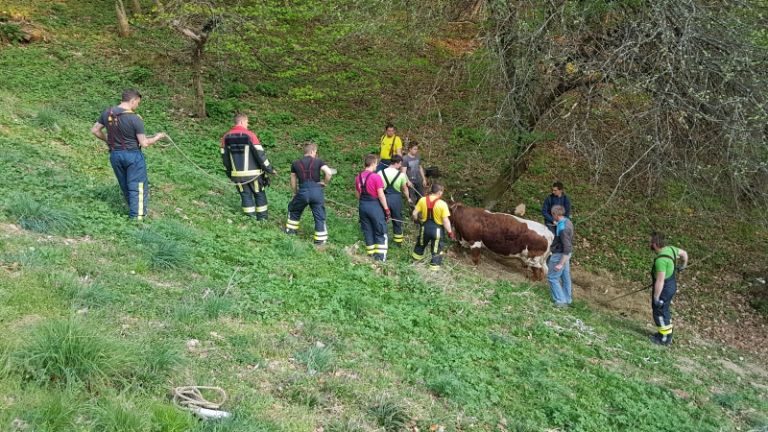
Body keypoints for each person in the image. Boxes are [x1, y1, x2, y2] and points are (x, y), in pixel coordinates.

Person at [91, 89, 167, 221]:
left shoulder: (108, 113)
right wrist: (157, 137)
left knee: (125, 184)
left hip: (115, 155)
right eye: (138, 103)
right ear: (133, 100)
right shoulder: (135, 119)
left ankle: (132, 210)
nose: (137, 105)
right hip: (133, 156)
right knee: (138, 186)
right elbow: (144, 143)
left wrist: (109, 140)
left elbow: (95, 130)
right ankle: (137, 218)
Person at [220, 113, 278, 220]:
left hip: (237, 175)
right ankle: (263, 220)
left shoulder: (226, 137)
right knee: (259, 194)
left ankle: (250, 219)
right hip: (254, 174)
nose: (247, 124)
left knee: (245, 195)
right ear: (242, 122)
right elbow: (260, 154)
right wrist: (270, 169)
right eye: (247, 122)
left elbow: (225, 158)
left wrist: (229, 173)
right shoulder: (250, 135)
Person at [285, 143, 334, 245]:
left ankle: (291, 231)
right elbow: (329, 173)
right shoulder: (318, 161)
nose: (315, 154)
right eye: (315, 152)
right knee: (319, 215)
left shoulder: (295, 163)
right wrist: (324, 183)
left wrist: (295, 192)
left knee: (294, 210)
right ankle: (320, 240)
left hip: (302, 191)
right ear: (312, 151)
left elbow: (293, 180)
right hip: (316, 191)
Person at [649, 232, 688, 346]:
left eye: (650, 242)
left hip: (664, 289)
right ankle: (664, 334)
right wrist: (683, 265)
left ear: (655, 244)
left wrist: (656, 297)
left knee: (659, 312)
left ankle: (664, 339)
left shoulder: (661, 260)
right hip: (671, 285)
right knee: (664, 311)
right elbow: (684, 253)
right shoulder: (671, 249)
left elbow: (660, 281)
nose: (649, 244)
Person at [411, 183, 455, 270]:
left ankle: (415, 264)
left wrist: (417, 220)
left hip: (424, 228)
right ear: (439, 192)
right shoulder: (442, 204)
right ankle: (433, 270)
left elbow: (414, 213)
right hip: (437, 230)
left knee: (420, 245)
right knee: (437, 250)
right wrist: (450, 232)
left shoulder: (422, 200)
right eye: (442, 192)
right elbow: (445, 221)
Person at [356, 154, 391, 261]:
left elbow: (357, 194)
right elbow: (381, 195)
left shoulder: (358, 177)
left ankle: (370, 255)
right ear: (372, 163)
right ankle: (380, 258)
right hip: (374, 206)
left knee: (367, 230)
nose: (377, 166)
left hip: (362, 205)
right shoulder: (376, 177)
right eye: (376, 163)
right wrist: (386, 209)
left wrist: (363, 203)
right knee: (380, 230)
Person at [379, 155, 411, 246]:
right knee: (397, 220)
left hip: (384, 198)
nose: (400, 166)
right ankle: (398, 242)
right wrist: (408, 198)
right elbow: (405, 189)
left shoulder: (380, 173)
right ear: (397, 163)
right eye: (400, 164)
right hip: (396, 199)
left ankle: (382, 240)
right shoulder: (401, 175)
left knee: (382, 220)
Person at [548, 205, 574, 307]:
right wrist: (557, 224)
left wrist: (560, 263)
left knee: (552, 277)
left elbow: (566, 247)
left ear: (555, 214)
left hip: (561, 254)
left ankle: (560, 301)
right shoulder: (567, 221)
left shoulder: (563, 229)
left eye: (552, 214)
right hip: (566, 255)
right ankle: (567, 299)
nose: (552, 216)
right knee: (565, 277)